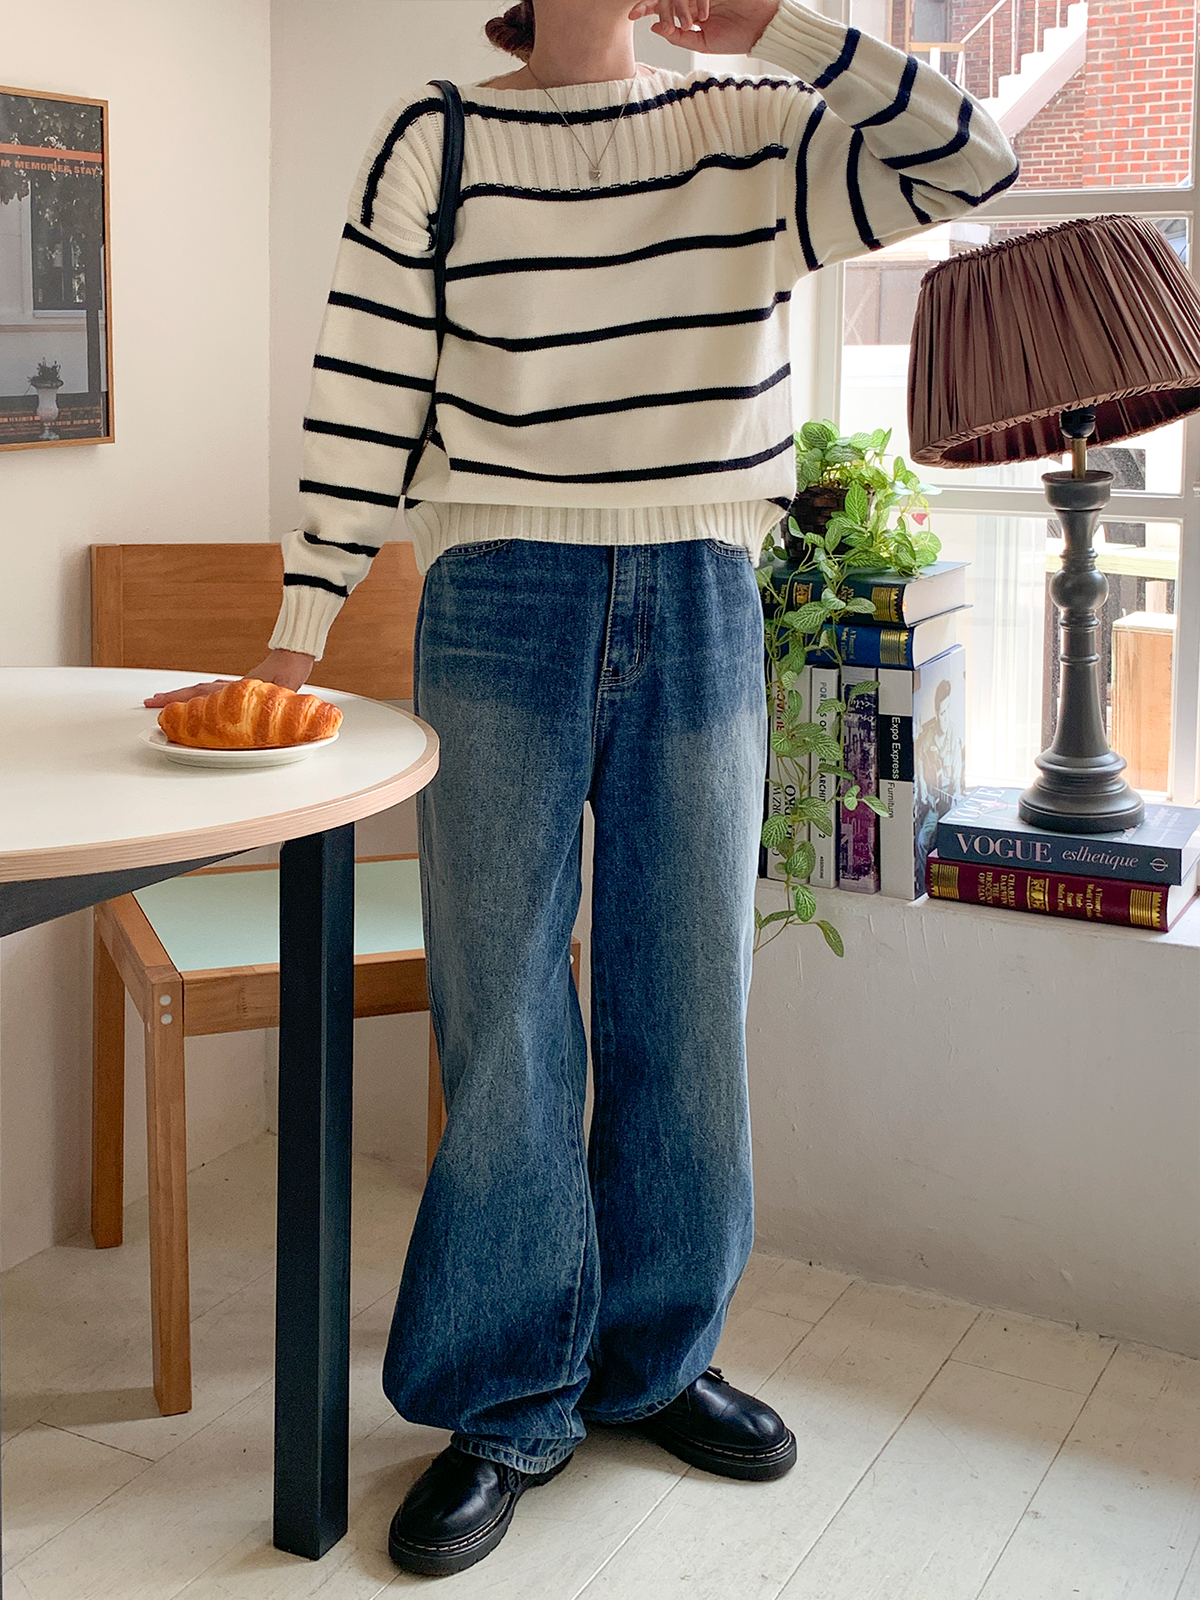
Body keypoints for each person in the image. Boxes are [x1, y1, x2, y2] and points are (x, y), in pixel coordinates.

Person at [149, 0, 1016, 1577]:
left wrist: (775, 23)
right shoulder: (441, 138)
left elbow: (974, 162)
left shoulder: (748, 117)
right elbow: (368, 386)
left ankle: (655, 1364)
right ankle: (506, 1398)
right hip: (499, 596)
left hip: (702, 588)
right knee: (502, 1016)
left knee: (686, 1001)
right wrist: (300, 623)